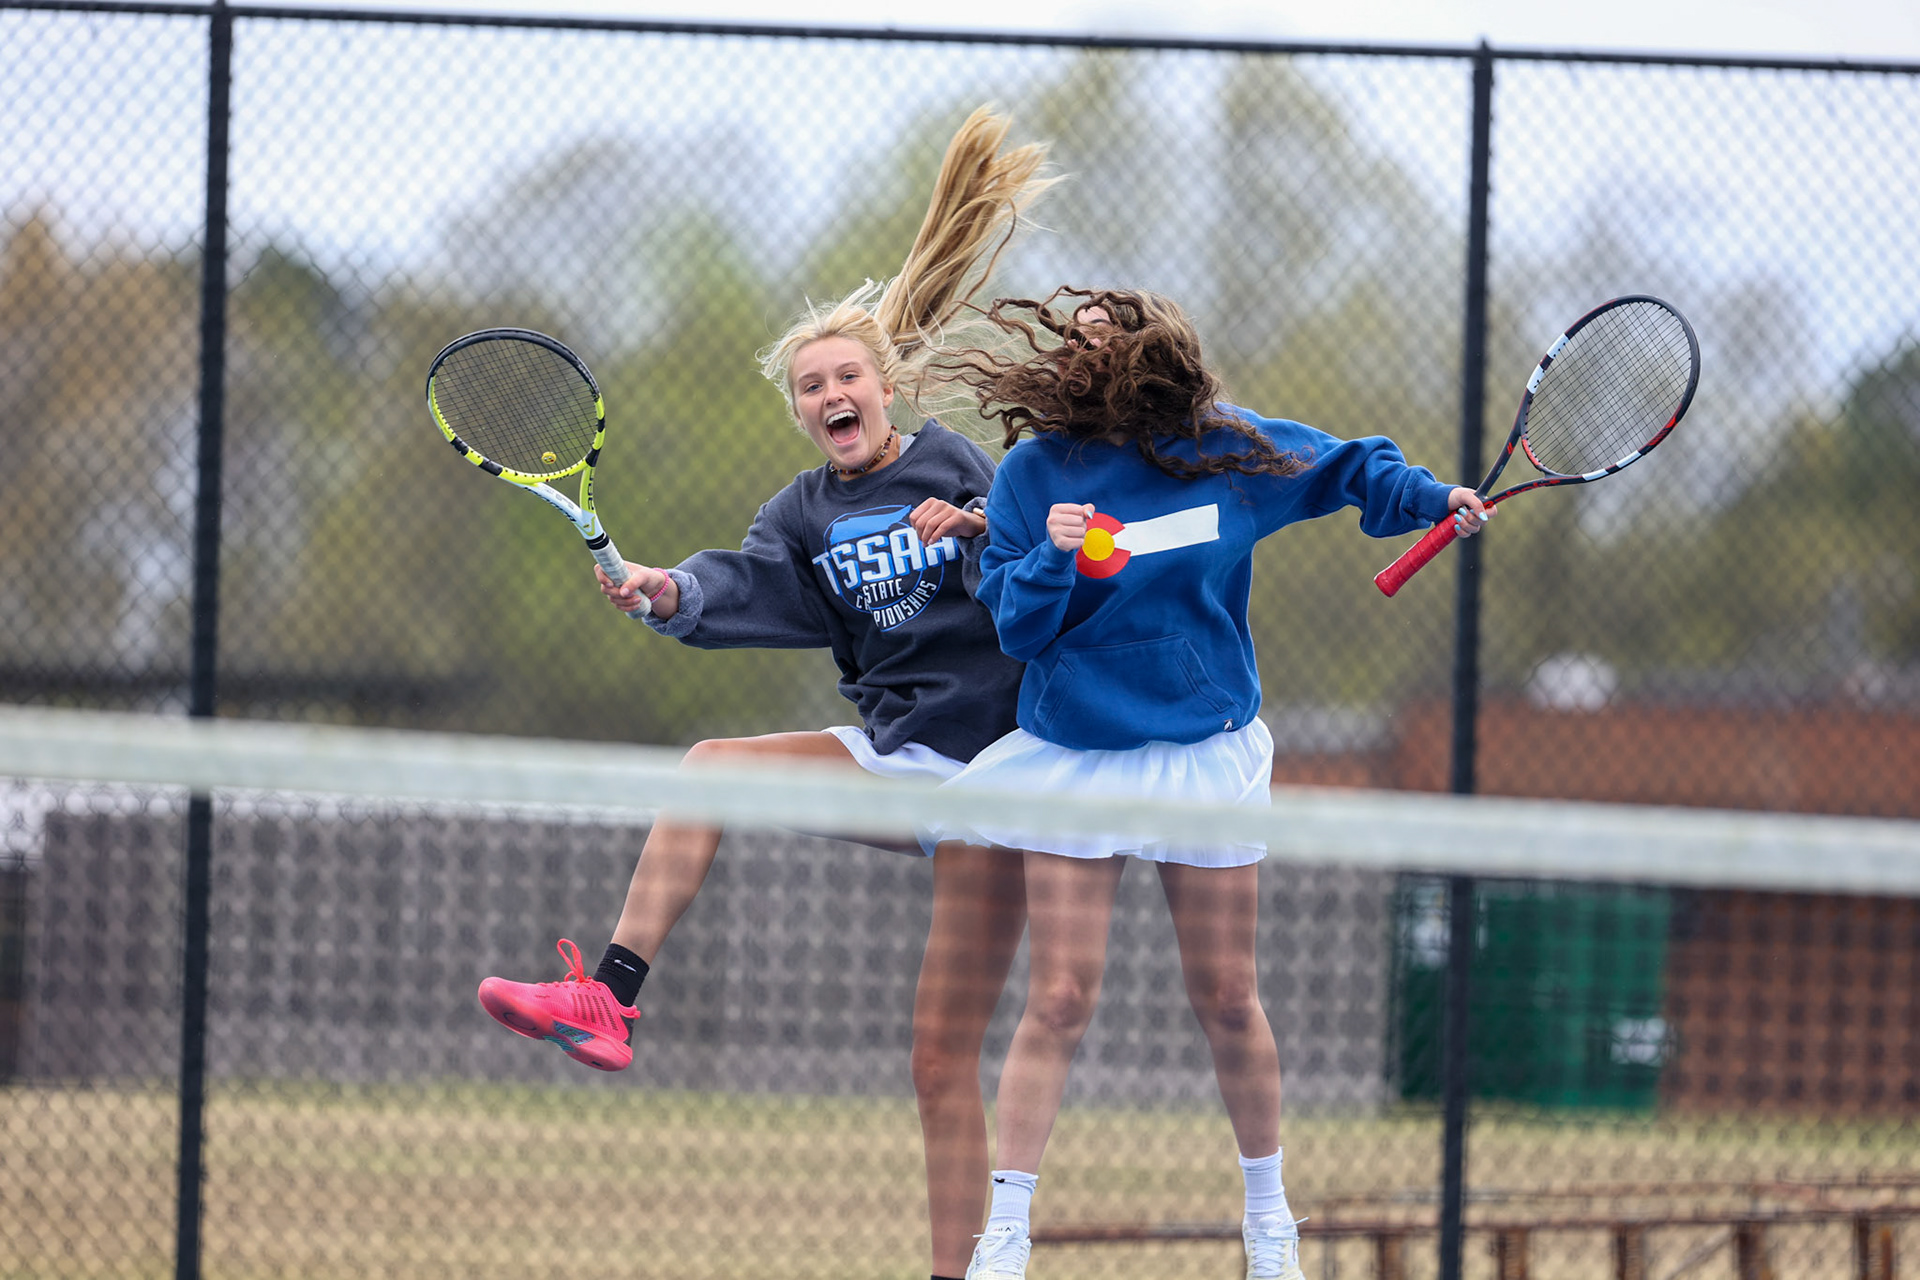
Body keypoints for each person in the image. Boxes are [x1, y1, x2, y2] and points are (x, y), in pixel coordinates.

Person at [475, 107, 1058, 1280]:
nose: (831, 392)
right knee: (710, 767)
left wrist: (983, 527)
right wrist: (661, 588)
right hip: (903, 768)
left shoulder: (956, 463)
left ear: (884, 386)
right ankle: (610, 997)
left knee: (939, 1061)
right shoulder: (802, 513)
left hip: (1003, 773)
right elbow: (741, 590)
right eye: (810, 385)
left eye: (846, 373)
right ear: (799, 411)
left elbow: (1037, 579)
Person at [924, 287, 1489, 1280]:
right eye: (1074, 343)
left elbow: (1349, 467)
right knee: (1057, 996)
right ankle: (1006, 1231)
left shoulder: (1228, 451)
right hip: (1078, 752)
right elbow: (1017, 626)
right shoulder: (1028, 474)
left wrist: (1431, 498)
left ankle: (1270, 1221)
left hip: (1205, 747)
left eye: (1100, 344)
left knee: (1228, 993)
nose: (1076, 357)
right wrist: (1051, 555)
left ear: (1150, 359)